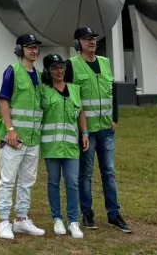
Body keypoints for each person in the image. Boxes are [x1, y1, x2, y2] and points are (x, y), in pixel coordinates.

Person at [69, 26, 132, 234]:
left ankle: (114, 214)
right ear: (78, 43)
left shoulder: (105, 63)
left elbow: (111, 92)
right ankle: (86, 213)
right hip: (87, 131)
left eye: (93, 38)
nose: (92, 42)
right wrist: (79, 128)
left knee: (109, 173)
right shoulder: (72, 65)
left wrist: (115, 118)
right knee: (85, 174)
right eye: (87, 39)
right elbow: (70, 98)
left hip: (106, 129)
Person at [0, 33, 46, 240]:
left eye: (36, 47)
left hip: (33, 139)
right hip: (14, 139)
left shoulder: (40, 76)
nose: (34, 51)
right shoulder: (13, 71)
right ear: (20, 50)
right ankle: (4, 221)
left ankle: (22, 219)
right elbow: (3, 101)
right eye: (29, 47)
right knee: (7, 180)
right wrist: (9, 130)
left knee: (27, 181)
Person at [40, 52, 89, 239]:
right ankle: (56, 218)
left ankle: (73, 221)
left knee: (72, 182)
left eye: (61, 67)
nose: (59, 71)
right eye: (54, 68)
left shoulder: (75, 89)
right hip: (51, 146)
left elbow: (81, 112)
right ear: (48, 71)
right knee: (53, 182)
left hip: (71, 147)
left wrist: (84, 133)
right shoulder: (44, 91)